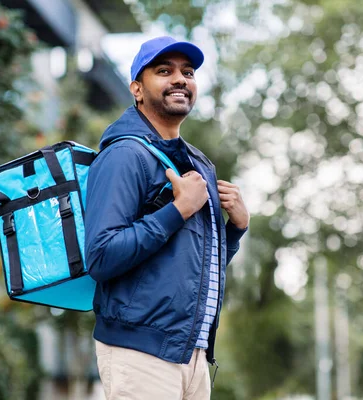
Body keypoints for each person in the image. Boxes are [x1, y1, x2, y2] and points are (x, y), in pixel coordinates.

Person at [84, 36, 250, 400]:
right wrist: (177, 210)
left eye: (187, 72)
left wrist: (235, 229)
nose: (180, 79)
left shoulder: (198, 164)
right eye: (164, 71)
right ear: (137, 89)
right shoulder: (124, 155)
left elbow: (197, 268)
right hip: (140, 351)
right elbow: (100, 255)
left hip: (192, 352)